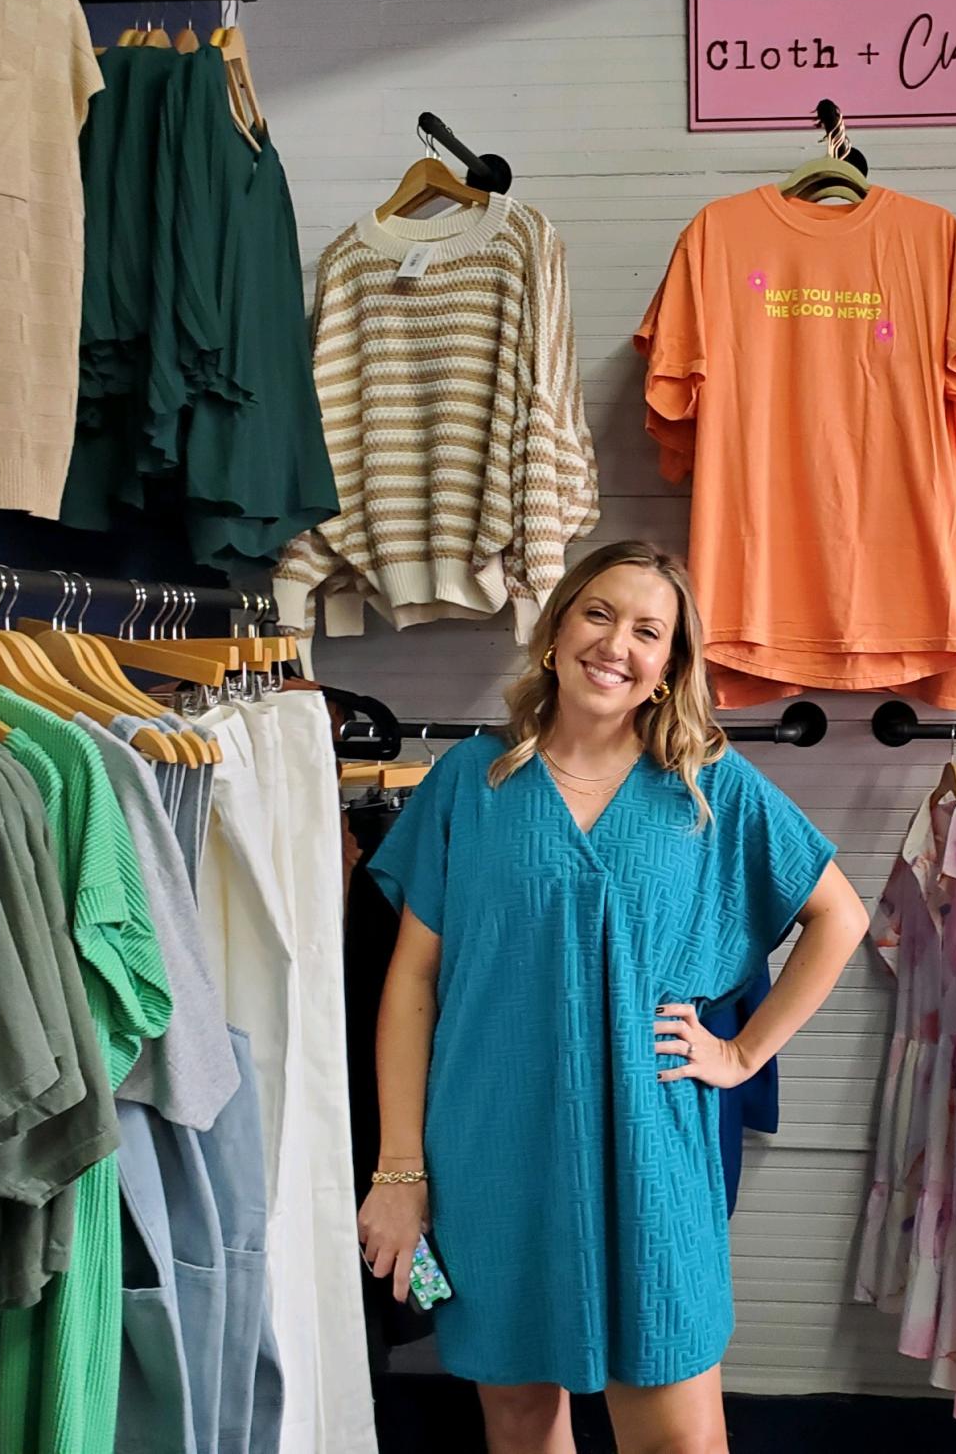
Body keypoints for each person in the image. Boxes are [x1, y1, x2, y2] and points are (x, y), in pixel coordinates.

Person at [355, 541, 866, 1454]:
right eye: (598, 614)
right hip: (488, 1153)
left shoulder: (707, 790)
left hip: (653, 1157)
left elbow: (839, 916)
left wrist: (740, 1053)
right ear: (555, 633)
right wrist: (399, 1173)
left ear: (668, 666)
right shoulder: (467, 783)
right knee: (517, 1420)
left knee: (677, 1434)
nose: (615, 643)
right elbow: (412, 984)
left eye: (647, 630)